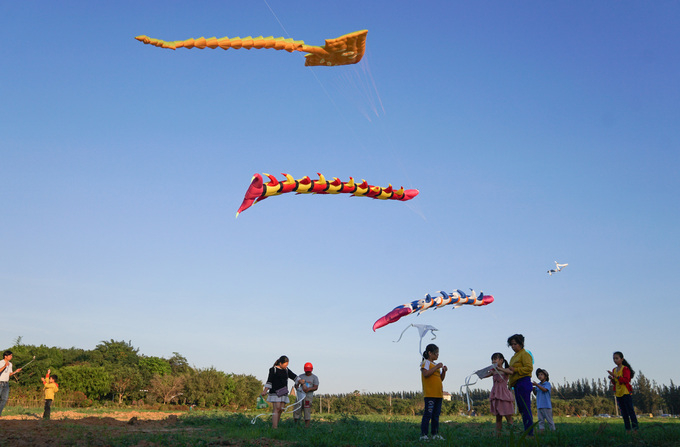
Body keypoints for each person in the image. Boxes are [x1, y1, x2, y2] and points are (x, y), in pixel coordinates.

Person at [261, 355, 305, 429]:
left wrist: (300, 380)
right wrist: (265, 391)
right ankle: (274, 427)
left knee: (281, 409)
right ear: (280, 363)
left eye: (287, 365)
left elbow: (294, 376)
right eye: (285, 365)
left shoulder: (286, 370)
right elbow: (269, 381)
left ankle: (276, 424)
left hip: (283, 392)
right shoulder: (273, 370)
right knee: (277, 408)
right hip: (275, 392)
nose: (286, 366)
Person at [420, 343, 447, 441]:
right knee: (428, 414)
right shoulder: (426, 363)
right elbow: (426, 374)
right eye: (436, 353)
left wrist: (443, 371)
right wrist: (436, 367)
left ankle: (435, 434)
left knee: (436, 415)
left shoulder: (435, 365)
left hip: (438, 394)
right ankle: (424, 435)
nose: (437, 355)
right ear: (430, 353)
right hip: (430, 394)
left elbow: (440, 379)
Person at [507, 334, 534, 435]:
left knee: (526, 408)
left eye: (515, 344)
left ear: (521, 343)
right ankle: (527, 429)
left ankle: (530, 432)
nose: (513, 346)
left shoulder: (525, 354)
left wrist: (516, 369)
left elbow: (529, 368)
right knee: (522, 409)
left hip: (524, 381)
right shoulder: (513, 357)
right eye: (511, 345)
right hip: (516, 384)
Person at [608, 351, 639, 433]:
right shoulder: (614, 370)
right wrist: (612, 379)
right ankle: (628, 429)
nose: (615, 360)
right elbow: (615, 382)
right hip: (618, 393)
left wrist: (616, 376)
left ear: (622, 359)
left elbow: (626, 380)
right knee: (624, 413)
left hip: (625, 392)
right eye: (614, 358)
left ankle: (635, 429)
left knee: (630, 411)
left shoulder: (625, 369)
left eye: (617, 358)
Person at [487, 352, 514, 436]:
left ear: (501, 360)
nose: (493, 361)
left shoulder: (505, 370)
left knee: (508, 417)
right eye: (492, 360)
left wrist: (500, 369)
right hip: (496, 395)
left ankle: (512, 435)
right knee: (498, 418)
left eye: (495, 359)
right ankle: (498, 436)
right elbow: (484, 375)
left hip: (504, 395)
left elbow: (511, 372)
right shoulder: (493, 371)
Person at [294, 362, 319, 427]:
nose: (308, 372)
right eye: (307, 371)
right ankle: (296, 425)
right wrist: (298, 387)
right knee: (297, 410)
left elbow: (316, 387)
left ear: (312, 369)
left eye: (309, 371)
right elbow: (296, 385)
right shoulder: (300, 376)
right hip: (300, 397)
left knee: (307, 411)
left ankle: (306, 427)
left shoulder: (314, 377)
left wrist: (309, 389)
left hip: (308, 397)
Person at [0, 350, 23, 417]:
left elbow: (9, 374)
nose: (11, 357)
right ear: (5, 356)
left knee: (4, 399)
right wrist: (4, 366)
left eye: (11, 355)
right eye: (10, 355)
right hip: (0, 382)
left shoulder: (10, 364)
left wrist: (16, 371)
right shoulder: (1, 362)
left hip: (6, 383)